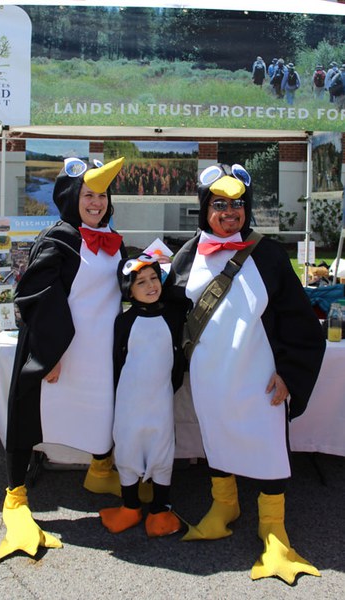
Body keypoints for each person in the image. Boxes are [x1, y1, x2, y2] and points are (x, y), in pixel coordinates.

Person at [165, 163, 326, 584]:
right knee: (217, 439)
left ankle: (273, 528)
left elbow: (300, 320)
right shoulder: (186, 255)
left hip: (261, 378)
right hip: (209, 377)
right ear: (205, 209)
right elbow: (166, 313)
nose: (230, 212)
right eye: (220, 204)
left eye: (237, 204)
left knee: (267, 446)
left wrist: (291, 372)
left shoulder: (269, 254)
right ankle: (225, 506)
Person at [0, 156, 128, 561]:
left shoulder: (112, 238)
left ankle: (99, 472)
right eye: (89, 195)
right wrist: (48, 354)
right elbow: (36, 298)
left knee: (103, 412)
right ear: (72, 197)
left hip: (98, 355)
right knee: (34, 418)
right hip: (61, 354)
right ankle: (15, 500)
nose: (97, 203)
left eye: (102, 196)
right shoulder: (59, 239)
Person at [99, 255, 184, 537]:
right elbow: (116, 360)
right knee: (128, 447)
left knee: (162, 447)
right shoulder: (124, 322)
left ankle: (160, 509)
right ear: (128, 290)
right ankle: (130, 506)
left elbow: (177, 355)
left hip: (160, 401)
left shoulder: (173, 317)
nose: (150, 286)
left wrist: (172, 384)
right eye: (141, 282)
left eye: (154, 279)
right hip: (129, 403)